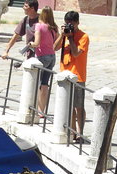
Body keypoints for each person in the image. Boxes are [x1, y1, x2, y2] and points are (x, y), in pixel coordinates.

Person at [55, 11, 89, 142]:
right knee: (68, 106)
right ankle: (72, 132)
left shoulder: (83, 37)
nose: (70, 26)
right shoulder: (65, 35)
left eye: (72, 24)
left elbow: (75, 54)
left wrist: (70, 38)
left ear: (77, 23)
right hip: (65, 75)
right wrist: (62, 36)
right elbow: (54, 48)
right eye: (67, 24)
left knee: (78, 106)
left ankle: (80, 133)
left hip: (78, 76)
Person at [27, 6, 58, 116]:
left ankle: (33, 107)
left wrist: (30, 44)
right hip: (52, 57)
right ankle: (42, 111)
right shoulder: (54, 28)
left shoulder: (39, 26)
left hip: (41, 57)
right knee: (45, 84)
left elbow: (37, 43)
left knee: (36, 83)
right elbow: (56, 45)